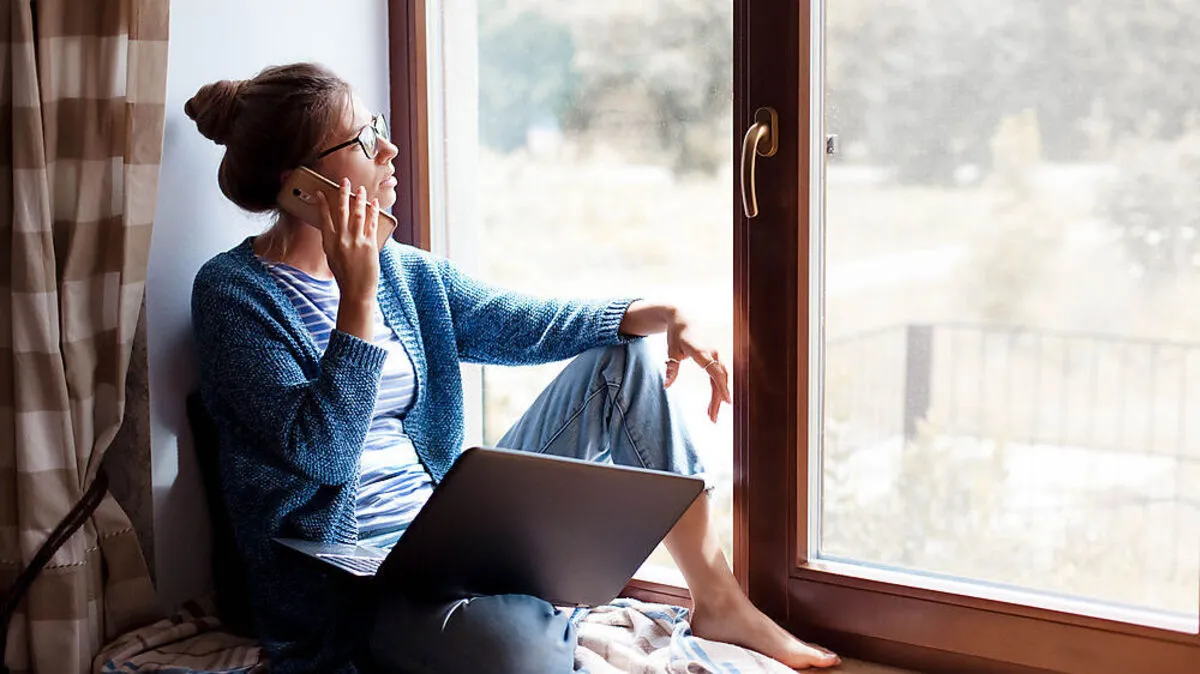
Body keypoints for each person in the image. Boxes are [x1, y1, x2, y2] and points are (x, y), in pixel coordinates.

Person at [187, 62, 840, 674]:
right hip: (356, 591)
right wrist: (354, 302)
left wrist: (661, 312)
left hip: (448, 539)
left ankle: (717, 601)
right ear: (299, 185)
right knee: (513, 650)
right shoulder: (232, 294)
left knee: (624, 359)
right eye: (362, 141)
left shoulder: (405, 275)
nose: (388, 152)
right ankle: (542, 608)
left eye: (380, 128)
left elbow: (526, 324)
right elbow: (322, 456)